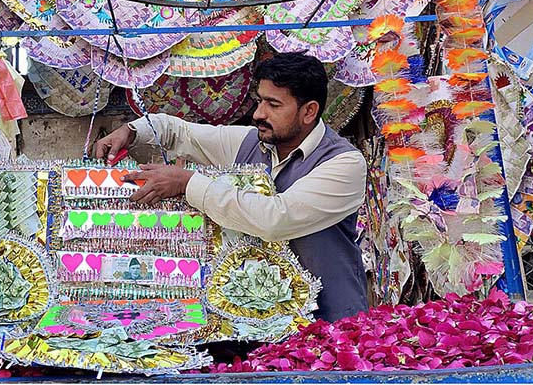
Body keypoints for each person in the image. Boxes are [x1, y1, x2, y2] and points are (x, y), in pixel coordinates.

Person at [94, 52, 368, 322]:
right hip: (259, 322)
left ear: (309, 111)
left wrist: (186, 182)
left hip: (331, 325)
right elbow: (181, 132)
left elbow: (275, 219)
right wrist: (131, 131)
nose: (259, 113)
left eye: (273, 104)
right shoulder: (251, 142)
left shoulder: (345, 163)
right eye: (260, 100)